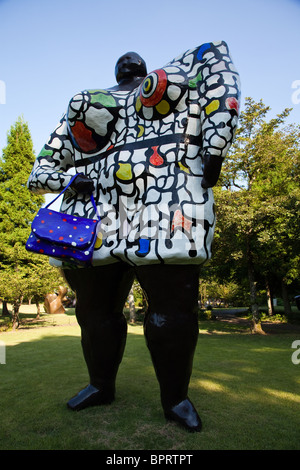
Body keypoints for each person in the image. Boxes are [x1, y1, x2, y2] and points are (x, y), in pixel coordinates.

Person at [27, 42, 240, 432]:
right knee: (93, 313)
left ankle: (176, 398)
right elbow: (38, 171)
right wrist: (72, 177)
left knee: (173, 312)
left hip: (167, 203)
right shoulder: (88, 107)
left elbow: (217, 70)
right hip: (94, 220)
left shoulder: (180, 84)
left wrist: (215, 146)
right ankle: (100, 385)